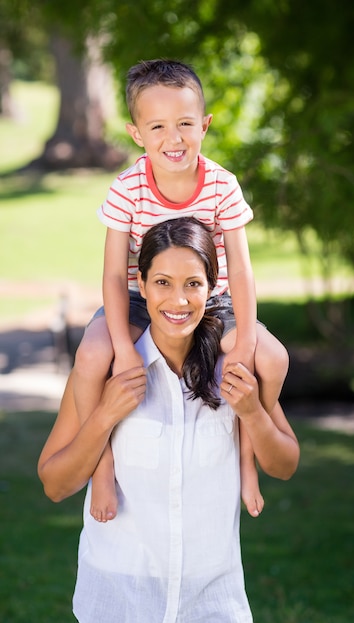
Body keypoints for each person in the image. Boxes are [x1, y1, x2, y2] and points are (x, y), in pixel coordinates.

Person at [38, 217, 300, 623]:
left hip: (213, 605)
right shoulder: (107, 370)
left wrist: (251, 412)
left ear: (213, 288)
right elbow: (55, 485)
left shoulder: (233, 369)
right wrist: (105, 414)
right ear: (140, 287)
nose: (178, 301)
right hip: (119, 603)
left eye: (193, 284)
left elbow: (284, 464)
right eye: (162, 282)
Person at [72, 58, 290, 522]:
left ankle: (246, 464)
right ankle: (102, 466)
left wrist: (246, 342)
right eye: (158, 127)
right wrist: (122, 349)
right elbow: (114, 276)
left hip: (213, 300)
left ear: (205, 125)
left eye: (186, 124)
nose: (174, 139)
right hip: (138, 297)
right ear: (136, 134)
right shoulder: (127, 189)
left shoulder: (222, 186)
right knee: (92, 357)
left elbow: (244, 274)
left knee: (271, 359)